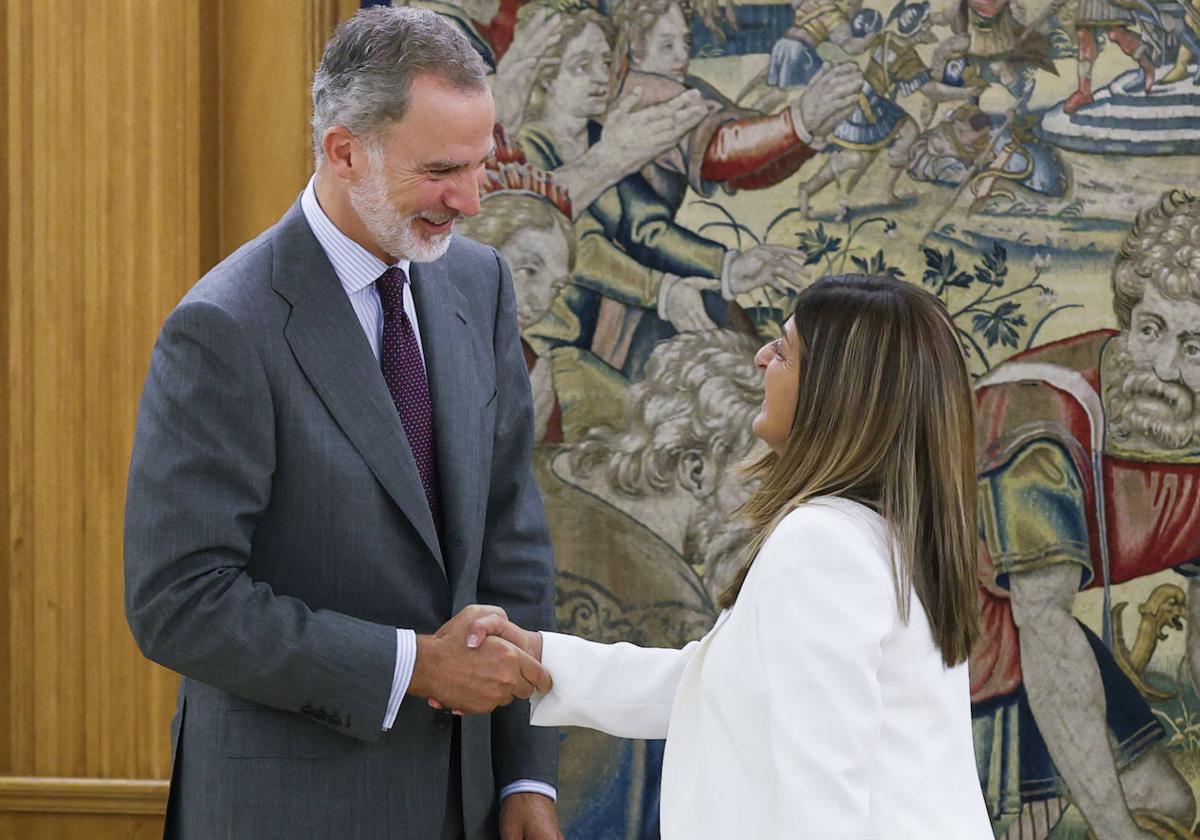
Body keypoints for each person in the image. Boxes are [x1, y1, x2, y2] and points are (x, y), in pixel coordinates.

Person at [123, 8, 562, 840]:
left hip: (467, 808)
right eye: (442, 171)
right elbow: (176, 600)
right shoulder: (223, 327)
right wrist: (410, 667)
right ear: (344, 150)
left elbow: (512, 548)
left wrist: (524, 778)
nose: (470, 199)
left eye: (480, 165)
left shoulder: (481, 285)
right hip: (288, 812)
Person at [453, 274, 995, 838]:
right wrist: (543, 660)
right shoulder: (885, 536)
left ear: (835, 393)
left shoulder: (821, 543)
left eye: (784, 350)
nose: (762, 358)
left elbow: (818, 792)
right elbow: (721, 686)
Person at [969, 189, 1200, 840]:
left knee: (1172, 807)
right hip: (957, 629)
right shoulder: (1042, 416)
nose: (1161, 366)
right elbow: (1040, 627)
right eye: (1150, 328)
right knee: (1020, 827)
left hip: (1034, 626)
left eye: (1195, 346)